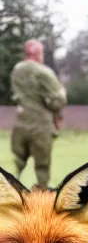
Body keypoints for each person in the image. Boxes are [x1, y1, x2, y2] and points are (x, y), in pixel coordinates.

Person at [10, 39, 67, 189]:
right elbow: (59, 100)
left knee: (18, 163)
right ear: (37, 54)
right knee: (42, 166)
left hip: (21, 123)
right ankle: (40, 196)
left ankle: (9, 192)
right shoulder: (43, 72)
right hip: (41, 125)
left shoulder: (17, 70)